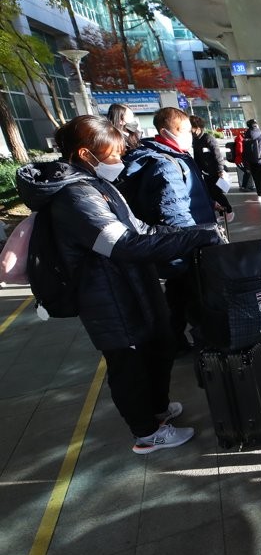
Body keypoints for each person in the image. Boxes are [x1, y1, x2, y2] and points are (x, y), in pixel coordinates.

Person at [16, 115, 220, 454]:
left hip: (130, 286)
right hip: (107, 297)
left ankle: (156, 409)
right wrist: (193, 239)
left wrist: (189, 233)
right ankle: (146, 432)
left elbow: (138, 228)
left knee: (158, 348)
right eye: (112, 154)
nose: (119, 160)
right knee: (129, 364)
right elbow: (124, 246)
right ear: (85, 154)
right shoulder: (76, 196)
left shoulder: (97, 184)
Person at [119, 107, 218, 355]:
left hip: (182, 246)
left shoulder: (174, 156)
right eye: (183, 131)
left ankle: (173, 342)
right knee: (195, 299)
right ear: (166, 131)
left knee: (177, 297)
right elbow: (174, 212)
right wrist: (201, 240)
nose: (189, 135)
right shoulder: (166, 163)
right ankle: (208, 350)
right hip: (186, 246)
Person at [189, 115, 233, 220]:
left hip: (215, 171)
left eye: (191, 128)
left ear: (198, 128)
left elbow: (217, 155)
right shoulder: (196, 140)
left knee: (217, 193)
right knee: (211, 194)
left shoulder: (208, 138)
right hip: (206, 172)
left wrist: (220, 170)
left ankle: (229, 211)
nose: (190, 131)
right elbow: (197, 157)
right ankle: (223, 213)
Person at [243, 118, 261, 198]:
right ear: (256, 125)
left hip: (250, 161)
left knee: (255, 177)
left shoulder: (245, 137)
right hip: (260, 160)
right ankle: (260, 192)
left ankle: (259, 192)